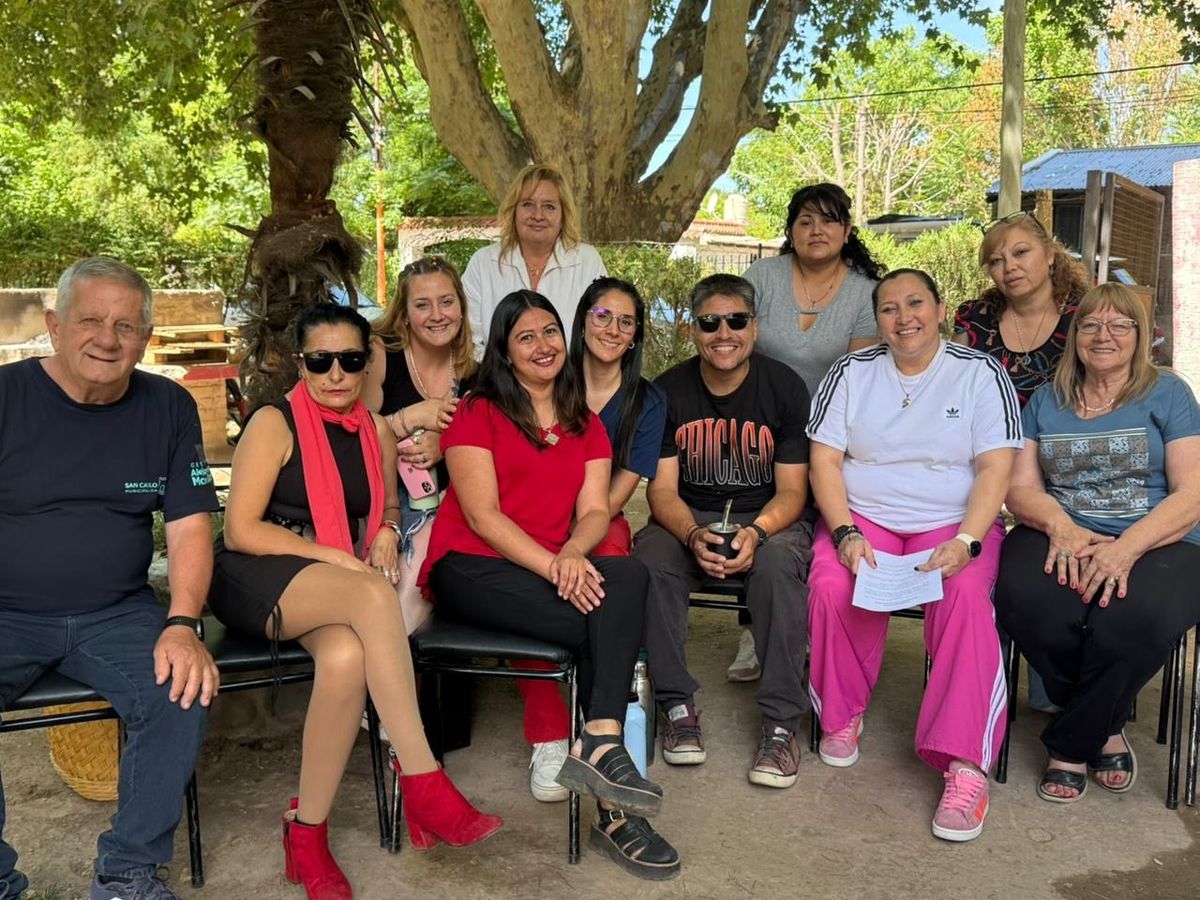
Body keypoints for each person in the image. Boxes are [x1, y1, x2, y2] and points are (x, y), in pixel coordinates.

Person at [209, 304, 501, 900]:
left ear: (367, 362)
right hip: (255, 571)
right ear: (301, 364)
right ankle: (423, 777)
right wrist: (338, 558)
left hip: (325, 577)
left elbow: (388, 504)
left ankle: (306, 835)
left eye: (349, 359)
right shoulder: (274, 423)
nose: (336, 373)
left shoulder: (374, 429)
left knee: (345, 657)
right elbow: (240, 530)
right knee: (371, 590)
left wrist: (389, 528)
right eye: (321, 361)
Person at [419, 290, 680, 880]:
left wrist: (573, 551)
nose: (543, 346)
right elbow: (482, 516)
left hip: (549, 561)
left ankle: (599, 741)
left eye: (550, 332)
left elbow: (596, 510)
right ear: (505, 351)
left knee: (628, 574)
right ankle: (615, 809)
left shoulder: (583, 423)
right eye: (526, 337)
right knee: (604, 624)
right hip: (473, 567)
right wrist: (555, 566)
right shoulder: (477, 411)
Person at [0, 257, 219, 900]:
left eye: (126, 326)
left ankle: (127, 873)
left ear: (145, 338)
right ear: (54, 326)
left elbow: (190, 525)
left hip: (116, 612)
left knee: (182, 687)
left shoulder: (169, 405)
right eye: (90, 321)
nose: (107, 339)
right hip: (6, 612)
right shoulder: (6, 397)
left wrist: (183, 623)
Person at [806, 268, 1022, 843]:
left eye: (916, 303)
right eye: (889, 308)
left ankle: (965, 764)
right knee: (832, 582)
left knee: (965, 596)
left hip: (952, 523)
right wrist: (845, 531)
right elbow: (824, 460)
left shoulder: (980, 373)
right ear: (876, 319)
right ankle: (841, 714)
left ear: (940, 308)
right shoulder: (851, 372)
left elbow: (995, 467)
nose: (904, 318)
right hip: (865, 517)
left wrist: (968, 541)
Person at [993, 283, 1200, 804]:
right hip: (1063, 530)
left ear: (1140, 335)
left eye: (1119, 324)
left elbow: (1193, 492)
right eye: (1090, 324)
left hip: (1159, 538)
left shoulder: (1168, 393)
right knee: (1024, 598)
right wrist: (1060, 525)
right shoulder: (1047, 400)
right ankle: (1105, 726)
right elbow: (1019, 489)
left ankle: (1071, 742)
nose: (1103, 335)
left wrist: (1125, 548)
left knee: (1132, 618)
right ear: (1074, 335)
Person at [634, 273, 813, 790]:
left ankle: (781, 724)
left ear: (754, 327)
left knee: (777, 567)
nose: (723, 333)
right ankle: (676, 706)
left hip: (768, 518)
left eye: (736, 320)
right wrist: (693, 535)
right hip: (690, 515)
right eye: (710, 322)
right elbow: (661, 492)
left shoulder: (784, 388)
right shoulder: (668, 391)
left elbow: (793, 492)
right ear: (692, 330)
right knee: (650, 559)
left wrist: (758, 532)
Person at [733, 182, 883, 683]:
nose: (817, 230)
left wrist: (821, 442)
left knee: (805, 529)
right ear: (791, 230)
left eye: (829, 219)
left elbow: (857, 378)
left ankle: (804, 626)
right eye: (805, 220)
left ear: (847, 230)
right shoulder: (763, 277)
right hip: (757, 426)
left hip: (831, 433)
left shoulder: (864, 292)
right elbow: (733, 345)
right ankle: (753, 629)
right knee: (749, 511)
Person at [954, 210, 1091, 715]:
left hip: (1064, 461)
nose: (1008, 266)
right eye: (996, 260)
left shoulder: (1084, 314)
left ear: (1050, 254)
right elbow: (955, 390)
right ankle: (987, 677)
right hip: (986, 461)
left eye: (1020, 252)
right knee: (996, 560)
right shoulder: (975, 318)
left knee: (1057, 549)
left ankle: (1056, 681)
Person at [363, 256, 478, 635]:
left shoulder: (474, 373)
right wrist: (410, 417)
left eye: (446, 302)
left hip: (441, 503)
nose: (437, 315)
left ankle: (389, 654)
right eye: (422, 305)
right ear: (404, 314)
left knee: (417, 569)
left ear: (461, 307)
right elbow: (353, 437)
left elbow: (489, 451)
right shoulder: (381, 355)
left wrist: (447, 441)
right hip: (379, 496)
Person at [462, 163, 606, 350]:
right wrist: (498, 367)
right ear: (513, 211)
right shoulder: (483, 263)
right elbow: (469, 339)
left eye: (549, 207)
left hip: (571, 370)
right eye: (528, 204)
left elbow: (602, 327)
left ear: (563, 214)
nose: (538, 215)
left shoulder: (587, 261)